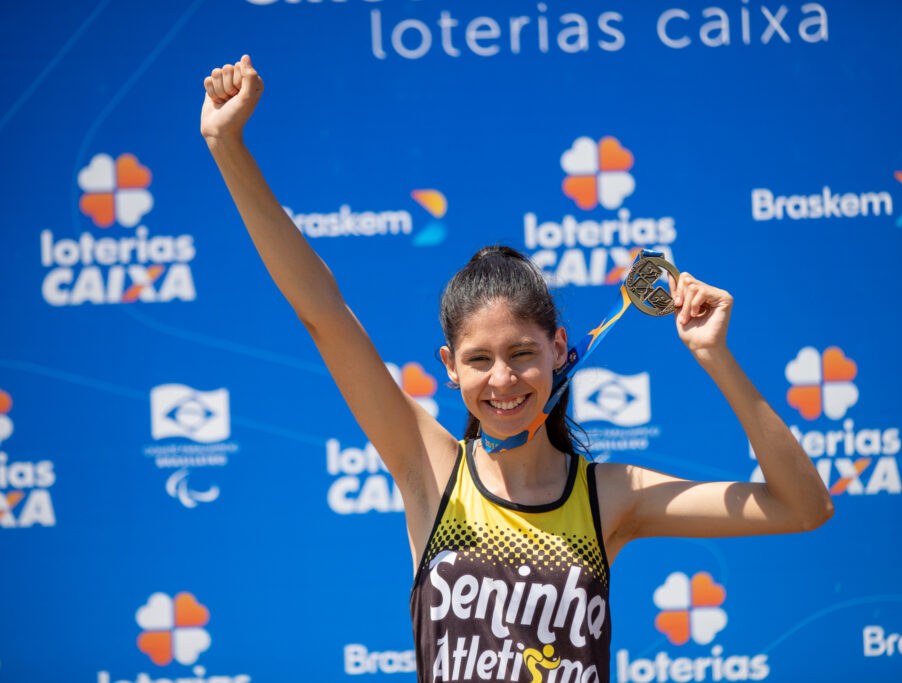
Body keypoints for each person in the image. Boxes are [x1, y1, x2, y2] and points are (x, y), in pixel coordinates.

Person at [201, 55, 833, 683]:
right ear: (450, 368)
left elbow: (802, 507)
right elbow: (323, 312)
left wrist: (715, 358)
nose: (502, 380)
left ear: (559, 348)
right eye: (479, 360)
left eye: (522, 354)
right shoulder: (431, 470)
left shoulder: (609, 497)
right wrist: (226, 144)